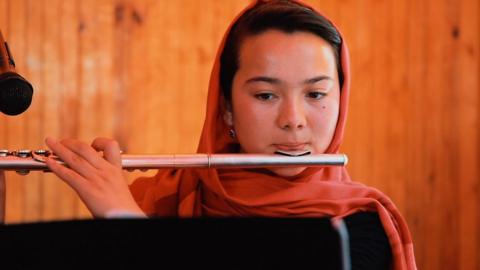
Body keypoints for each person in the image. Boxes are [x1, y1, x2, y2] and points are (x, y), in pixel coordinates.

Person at [39, 0, 416, 269]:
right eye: (266, 95)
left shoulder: (361, 225)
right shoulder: (161, 201)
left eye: (315, 94)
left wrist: (127, 224)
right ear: (226, 108)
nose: (293, 119)